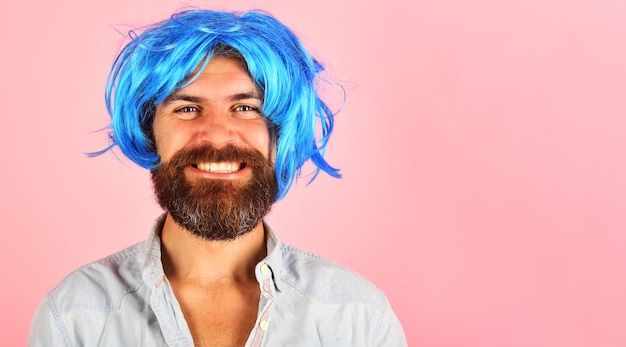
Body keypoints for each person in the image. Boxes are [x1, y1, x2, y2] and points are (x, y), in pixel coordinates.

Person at [28, 8, 407, 346]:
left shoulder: (358, 319)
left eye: (245, 107)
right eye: (188, 107)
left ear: (281, 134)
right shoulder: (75, 317)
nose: (216, 134)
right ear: (149, 130)